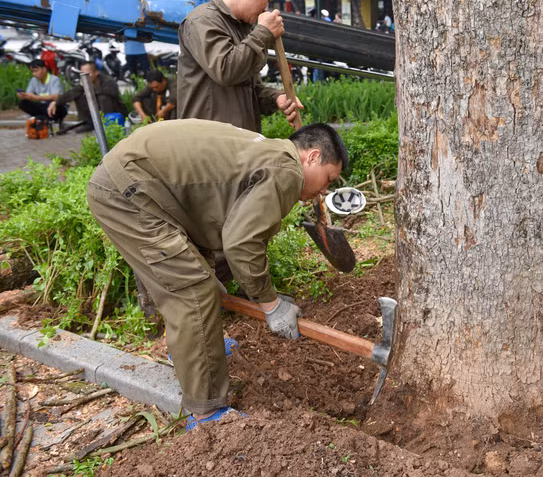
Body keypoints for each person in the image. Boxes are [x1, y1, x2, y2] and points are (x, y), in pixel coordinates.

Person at [86, 120, 348, 430]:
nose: (323, 191)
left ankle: (193, 350)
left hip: (141, 184)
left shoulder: (270, 152)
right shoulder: (287, 170)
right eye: (328, 179)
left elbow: (218, 213)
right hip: (129, 192)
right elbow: (242, 242)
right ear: (313, 157)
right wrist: (270, 304)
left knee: (196, 279)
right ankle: (208, 414)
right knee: (193, 291)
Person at [178, 0, 302, 133]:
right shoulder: (202, 20)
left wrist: (276, 98)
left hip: (239, 144)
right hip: (209, 147)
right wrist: (263, 32)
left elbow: (249, 88)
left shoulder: (243, 28)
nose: (266, 8)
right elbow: (226, 70)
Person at [47, 61, 125, 132]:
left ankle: (107, 123)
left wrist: (88, 89)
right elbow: (71, 93)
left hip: (114, 113)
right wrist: (55, 102)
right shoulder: (84, 82)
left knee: (103, 98)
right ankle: (88, 123)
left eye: (87, 73)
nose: (84, 76)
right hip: (97, 109)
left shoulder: (108, 81)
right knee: (79, 96)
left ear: (96, 72)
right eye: (82, 73)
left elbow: (111, 93)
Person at [16, 59, 67, 130]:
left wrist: (36, 98)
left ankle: (43, 118)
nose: (34, 74)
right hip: (43, 107)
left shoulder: (54, 80)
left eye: (36, 71)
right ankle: (42, 118)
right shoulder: (33, 80)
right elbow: (29, 95)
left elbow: (56, 97)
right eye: (33, 71)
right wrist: (23, 96)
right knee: (22, 103)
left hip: (56, 106)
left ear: (44, 69)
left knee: (55, 108)